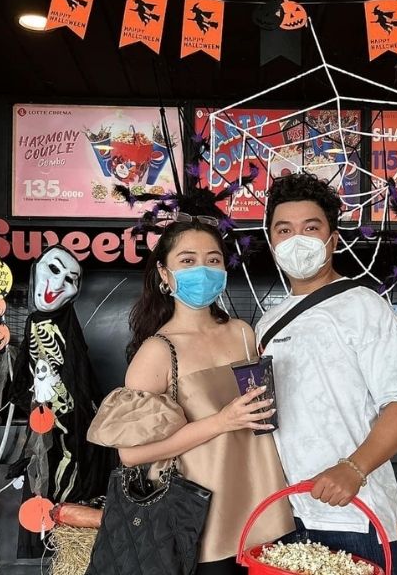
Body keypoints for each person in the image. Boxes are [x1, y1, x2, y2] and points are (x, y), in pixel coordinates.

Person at [87, 216, 293, 575]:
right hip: (200, 516)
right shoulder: (157, 351)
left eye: (213, 260)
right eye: (188, 260)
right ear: (164, 274)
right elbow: (131, 454)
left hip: (262, 501)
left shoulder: (243, 334)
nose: (203, 270)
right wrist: (222, 421)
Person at [256, 173, 397, 575]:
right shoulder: (266, 323)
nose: (297, 239)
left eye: (310, 228)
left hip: (354, 517)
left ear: (332, 239)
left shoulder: (364, 306)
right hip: (285, 514)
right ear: (272, 242)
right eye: (284, 230)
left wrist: (354, 468)